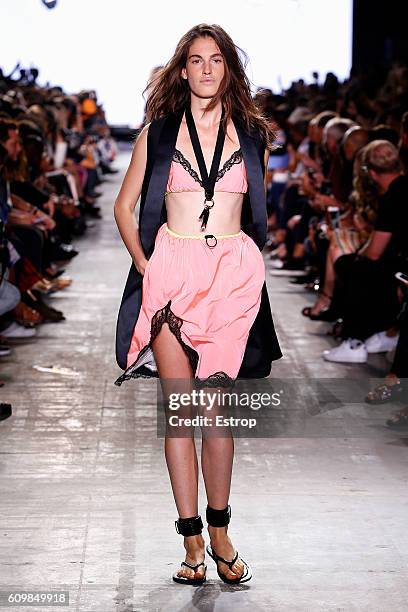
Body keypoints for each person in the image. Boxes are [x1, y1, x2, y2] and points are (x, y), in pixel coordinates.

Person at [113, 24, 282, 585]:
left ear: (228, 69)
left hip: (229, 278)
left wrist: (250, 259)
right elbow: (125, 205)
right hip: (172, 271)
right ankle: (191, 543)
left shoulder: (252, 134)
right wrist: (146, 265)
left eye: (217, 60)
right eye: (196, 60)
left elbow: (259, 211)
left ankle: (220, 531)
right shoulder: (158, 136)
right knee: (181, 410)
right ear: (182, 69)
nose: (207, 70)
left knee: (216, 411)